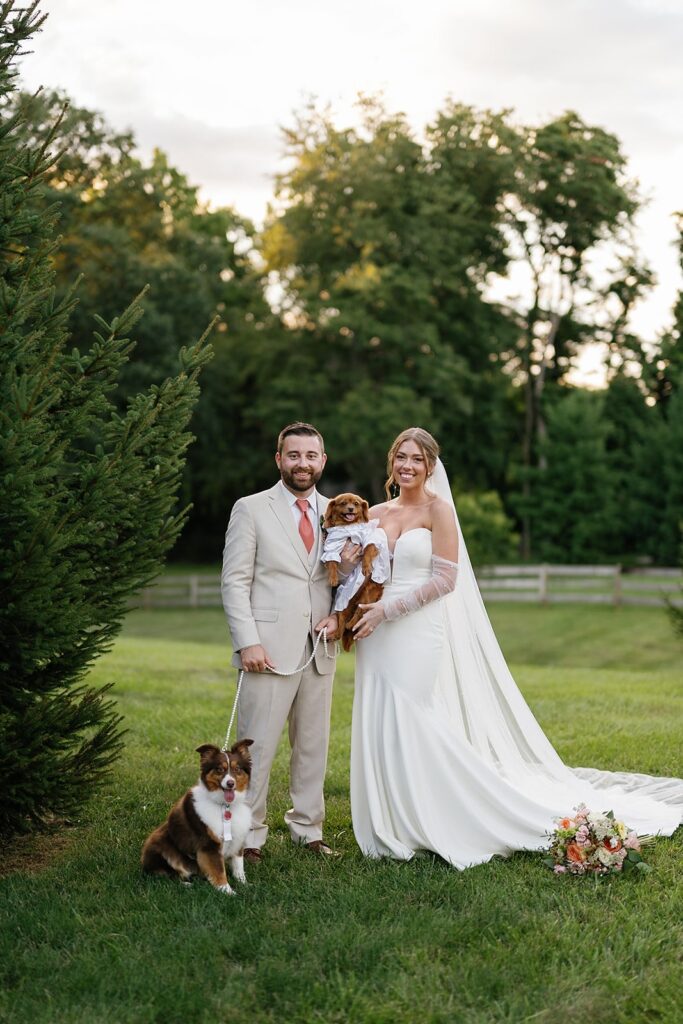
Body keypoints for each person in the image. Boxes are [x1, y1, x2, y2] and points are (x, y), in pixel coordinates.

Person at [349, 427, 682, 867]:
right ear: (392, 461)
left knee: (414, 713)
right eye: (401, 457)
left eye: (417, 459)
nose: (407, 465)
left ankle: (443, 813)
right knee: (377, 712)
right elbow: (357, 571)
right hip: (373, 631)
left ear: (430, 466)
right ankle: (391, 815)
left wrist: (387, 612)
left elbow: (446, 580)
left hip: (413, 627)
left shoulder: (439, 511)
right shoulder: (373, 512)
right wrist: (348, 603)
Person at [221, 422, 342, 862]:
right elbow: (235, 582)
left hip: (319, 648)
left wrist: (339, 617)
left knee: (313, 745)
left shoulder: (337, 511)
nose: (303, 464)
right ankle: (249, 836)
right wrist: (247, 641)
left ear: (322, 461)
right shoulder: (251, 509)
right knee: (257, 747)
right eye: (294, 455)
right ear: (279, 460)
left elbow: (344, 581)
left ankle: (308, 828)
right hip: (266, 651)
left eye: (311, 456)